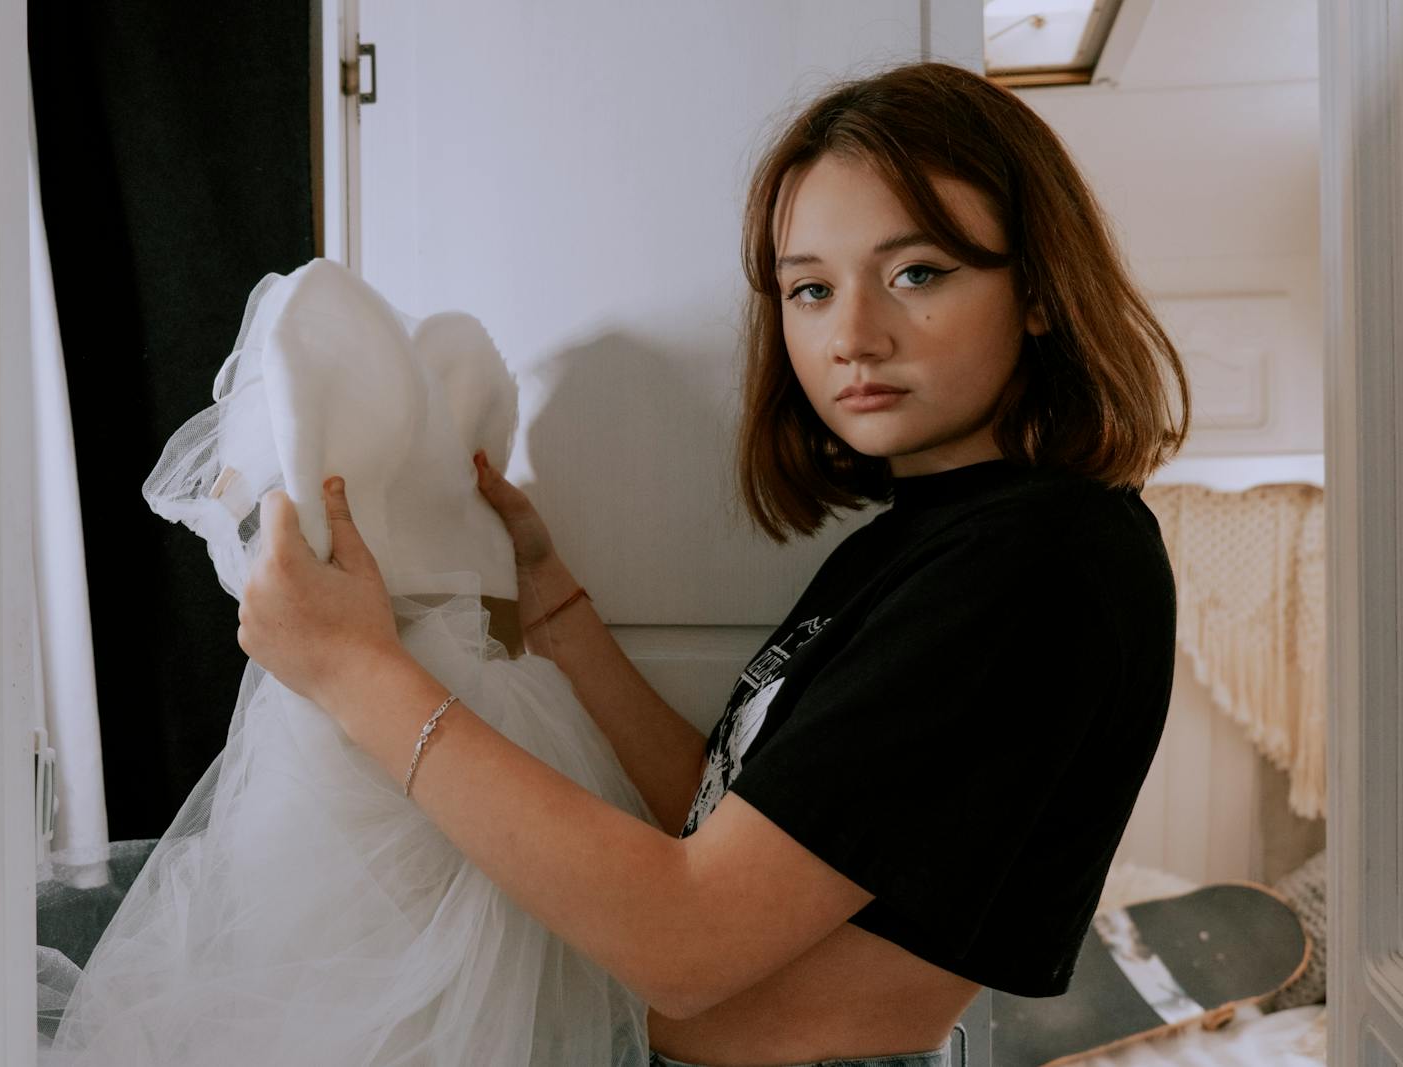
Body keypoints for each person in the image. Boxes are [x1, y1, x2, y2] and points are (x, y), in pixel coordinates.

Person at [238, 61, 1188, 1067]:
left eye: (917, 272)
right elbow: (733, 821)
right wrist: (556, 607)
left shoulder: (1038, 560)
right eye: (810, 288)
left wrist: (358, 674)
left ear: (1036, 289)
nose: (853, 336)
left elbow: (686, 938)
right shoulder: (918, 541)